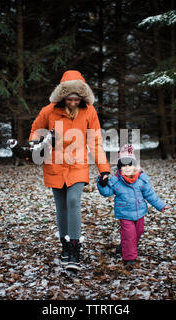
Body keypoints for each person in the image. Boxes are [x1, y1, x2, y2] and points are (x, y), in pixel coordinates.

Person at [28, 70, 110, 272]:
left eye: (77, 98)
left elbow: (96, 142)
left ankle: (75, 248)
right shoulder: (48, 111)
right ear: (62, 96)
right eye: (69, 98)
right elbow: (34, 134)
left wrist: (104, 169)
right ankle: (64, 246)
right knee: (61, 206)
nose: (73, 102)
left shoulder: (89, 111)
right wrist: (36, 148)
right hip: (54, 164)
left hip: (77, 164)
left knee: (73, 201)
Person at [97, 144, 170, 265]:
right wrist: (102, 183)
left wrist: (160, 205)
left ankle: (125, 246)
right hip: (125, 214)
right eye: (123, 166)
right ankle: (129, 258)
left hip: (139, 212)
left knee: (139, 232)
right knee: (129, 234)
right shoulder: (116, 181)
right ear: (120, 168)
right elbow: (107, 193)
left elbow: (150, 195)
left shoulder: (141, 180)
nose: (127, 168)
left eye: (129, 165)